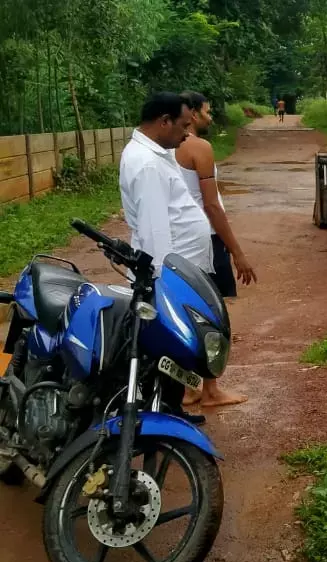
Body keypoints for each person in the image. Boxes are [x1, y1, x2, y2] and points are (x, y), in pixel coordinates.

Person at [118, 92, 212, 424]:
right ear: (164, 121)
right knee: (167, 344)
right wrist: (162, 283)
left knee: (171, 349)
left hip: (178, 268)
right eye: (184, 125)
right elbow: (155, 229)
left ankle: (170, 408)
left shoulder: (155, 154)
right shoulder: (146, 164)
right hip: (167, 274)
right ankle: (163, 416)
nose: (187, 133)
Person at [174, 90, 254, 408]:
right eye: (206, 111)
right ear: (192, 114)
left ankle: (188, 387)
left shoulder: (160, 150)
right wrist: (237, 251)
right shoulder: (199, 148)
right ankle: (210, 390)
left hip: (175, 242)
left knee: (182, 313)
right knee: (212, 315)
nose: (209, 116)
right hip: (205, 239)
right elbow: (212, 206)